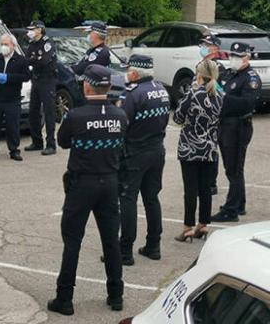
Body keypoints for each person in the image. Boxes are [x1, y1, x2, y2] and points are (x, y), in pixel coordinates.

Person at [49, 64, 126, 316]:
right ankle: (116, 295)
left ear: (87, 86)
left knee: (72, 241)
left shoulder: (76, 116)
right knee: (110, 241)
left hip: (82, 183)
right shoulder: (119, 116)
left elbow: (62, 141)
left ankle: (65, 297)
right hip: (109, 182)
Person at [118, 55, 169, 265]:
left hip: (135, 152)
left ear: (135, 72)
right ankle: (153, 245)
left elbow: (122, 123)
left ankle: (125, 251)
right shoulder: (162, 90)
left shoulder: (133, 94)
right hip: (157, 149)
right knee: (151, 198)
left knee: (128, 199)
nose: (126, 72)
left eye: (128, 69)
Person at [173, 60, 223, 242]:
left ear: (199, 75)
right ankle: (203, 224)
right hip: (210, 148)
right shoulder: (220, 95)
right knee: (205, 189)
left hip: (190, 148)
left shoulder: (192, 94)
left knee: (191, 190)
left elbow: (178, 117)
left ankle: (188, 227)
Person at [211, 42, 261, 222]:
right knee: (233, 167)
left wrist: (224, 98)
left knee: (234, 169)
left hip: (238, 127)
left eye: (238, 57)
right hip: (226, 125)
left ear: (247, 58)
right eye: (232, 56)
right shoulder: (232, 74)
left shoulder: (251, 78)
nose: (234, 60)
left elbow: (247, 103)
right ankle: (239, 204)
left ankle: (230, 210)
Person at [0, 34, 31, 161]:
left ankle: (14, 150)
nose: (4, 46)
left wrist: (9, 77)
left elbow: (26, 76)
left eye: (6, 44)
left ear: (13, 46)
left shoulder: (21, 60)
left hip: (13, 99)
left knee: (13, 126)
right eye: (2, 44)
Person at [198, 34, 227, 196]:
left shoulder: (219, 68)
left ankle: (211, 183)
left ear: (215, 48)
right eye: (203, 44)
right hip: (199, 113)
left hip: (213, 113)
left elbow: (222, 92)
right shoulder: (200, 64)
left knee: (211, 148)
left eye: (207, 44)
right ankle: (202, 180)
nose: (203, 47)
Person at [24, 20, 58, 156]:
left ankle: (51, 144)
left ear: (40, 30)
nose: (30, 31)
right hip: (36, 80)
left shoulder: (48, 43)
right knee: (33, 111)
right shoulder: (32, 44)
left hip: (47, 80)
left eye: (32, 29)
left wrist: (34, 59)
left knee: (49, 113)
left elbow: (44, 61)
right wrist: (35, 58)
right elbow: (27, 59)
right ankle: (37, 142)